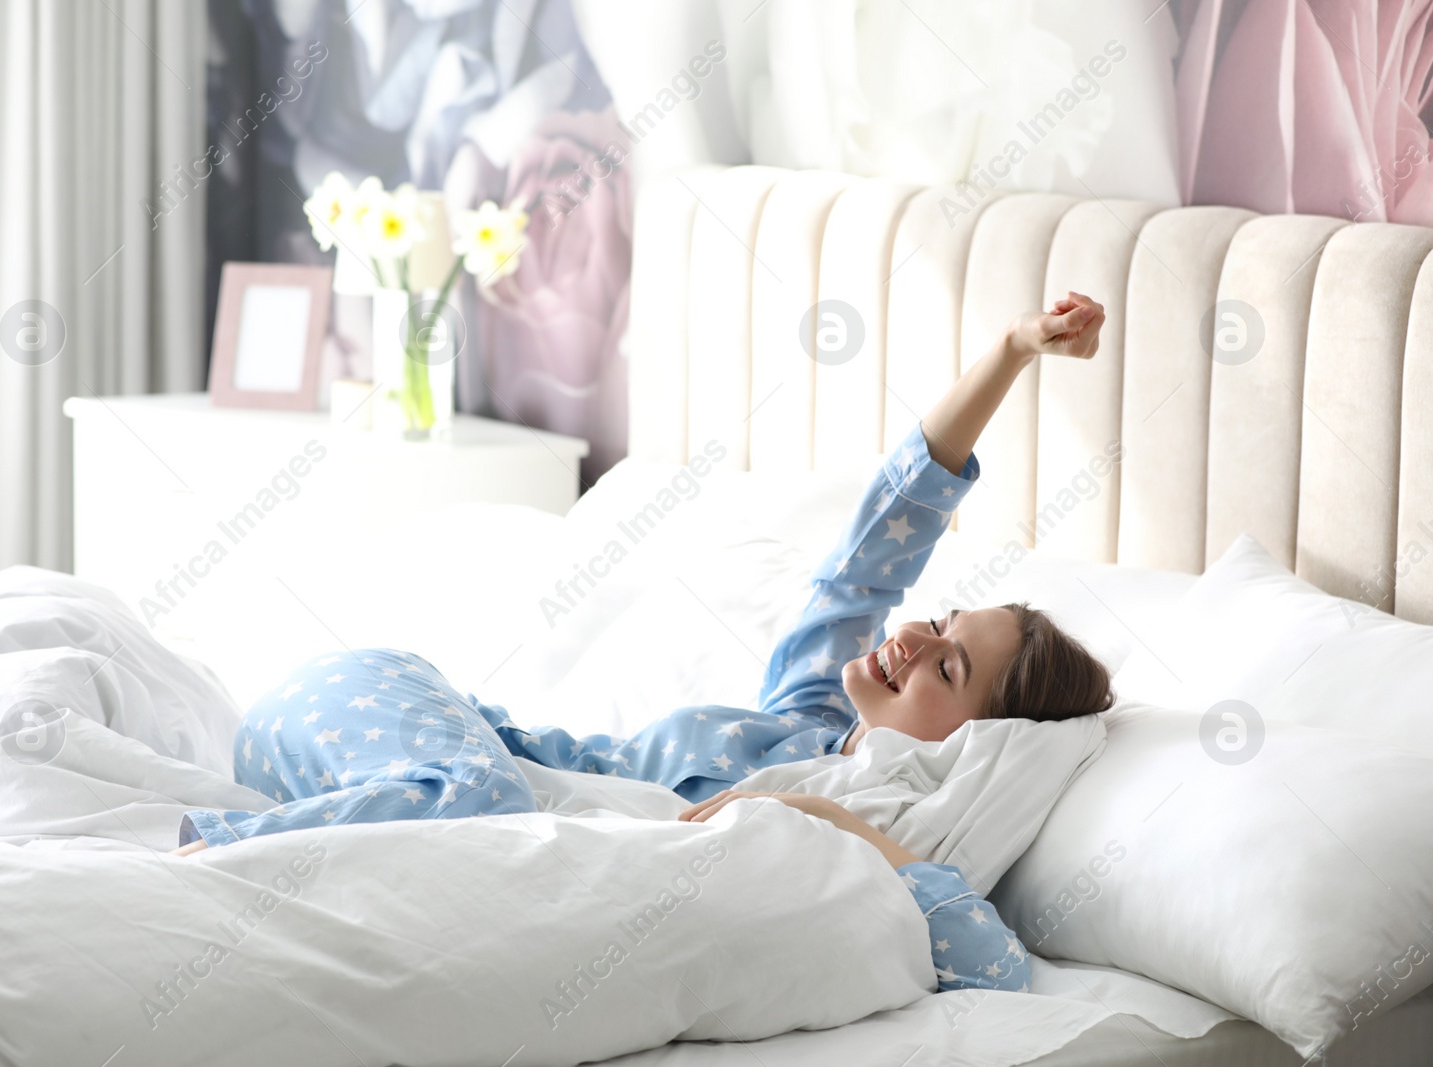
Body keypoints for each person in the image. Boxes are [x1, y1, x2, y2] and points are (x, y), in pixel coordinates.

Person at [175, 293, 1117, 993]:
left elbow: (993, 970)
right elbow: (876, 547)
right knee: (494, 810)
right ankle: (176, 859)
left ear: (974, 744)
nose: (910, 635)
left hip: (355, 783)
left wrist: (835, 823)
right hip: (377, 713)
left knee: (499, 864)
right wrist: (1011, 350)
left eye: (947, 665)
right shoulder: (803, 716)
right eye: (941, 620)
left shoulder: (870, 841)